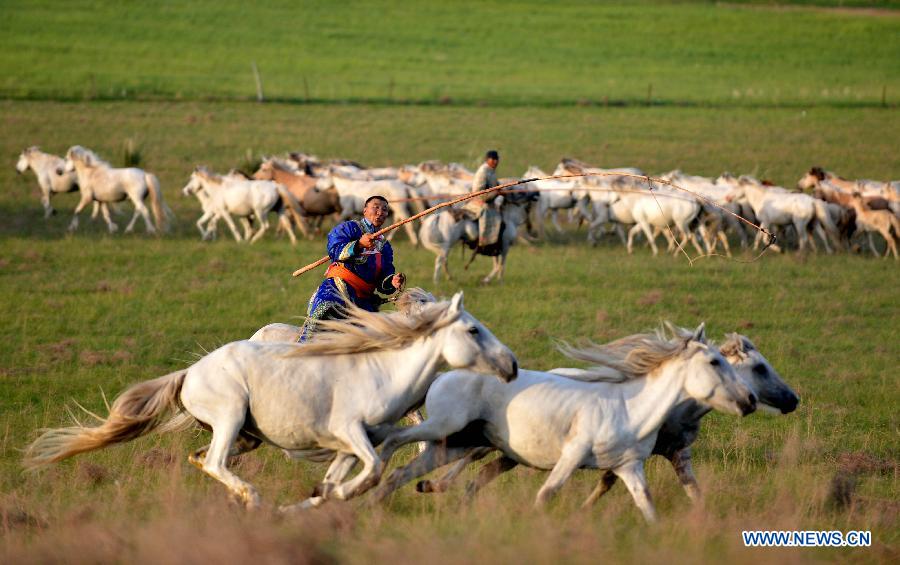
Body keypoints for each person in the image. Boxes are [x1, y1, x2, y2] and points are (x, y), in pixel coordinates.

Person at [299, 195, 406, 341]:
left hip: (364, 300)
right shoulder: (349, 228)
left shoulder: (385, 247)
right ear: (365, 211)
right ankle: (302, 347)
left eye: (385, 209)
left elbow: (383, 280)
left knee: (375, 336)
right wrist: (359, 244)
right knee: (322, 315)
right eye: (376, 207)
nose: (380, 212)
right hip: (339, 288)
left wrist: (392, 281)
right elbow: (334, 250)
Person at [465, 150, 502, 248]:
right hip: (480, 201)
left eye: (497, 159)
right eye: (493, 159)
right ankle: (484, 241)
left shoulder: (491, 171)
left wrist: (499, 188)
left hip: (489, 199)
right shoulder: (483, 172)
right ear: (487, 160)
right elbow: (479, 193)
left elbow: (494, 185)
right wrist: (496, 193)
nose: (495, 161)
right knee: (488, 213)